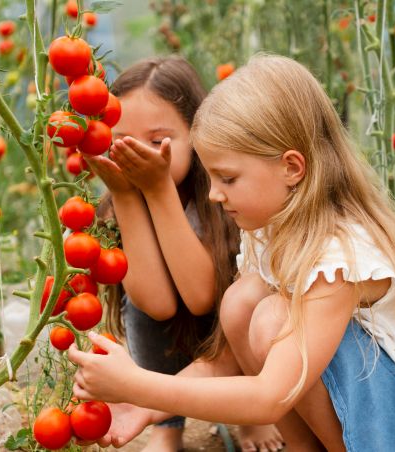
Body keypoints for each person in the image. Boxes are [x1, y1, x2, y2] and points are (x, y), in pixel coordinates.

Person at [70, 54, 395, 451]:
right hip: (380, 403)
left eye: (228, 178)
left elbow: (269, 396)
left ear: (292, 167)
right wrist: (146, 402)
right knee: (241, 302)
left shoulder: (341, 254)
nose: (213, 194)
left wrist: (138, 383)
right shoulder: (271, 230)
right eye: (211, 177)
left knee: (272, 318)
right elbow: (228, 360)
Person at [85, 56, 284, 452]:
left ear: (196, 133)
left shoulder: (225, 196)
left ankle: (248, 414)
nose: (140, 153)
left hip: (228, 334)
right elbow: (155, 306)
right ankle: (167, 426)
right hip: (171, 336)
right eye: (123, 139)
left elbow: (201, 297)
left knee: (242, 303)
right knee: (138, 308)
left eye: (159, 141)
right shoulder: (118, 201)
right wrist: (126, 195)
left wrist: (158, 189)